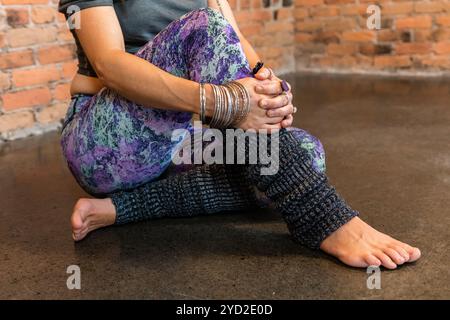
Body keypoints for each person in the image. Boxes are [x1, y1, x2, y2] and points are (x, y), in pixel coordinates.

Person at [59, 0, 421, 269]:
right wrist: (223, 101)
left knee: (307, 154)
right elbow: (109, 65)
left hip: (184, 133)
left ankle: (122, 208)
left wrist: (271, 88)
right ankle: (322, 218)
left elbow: (239, 50)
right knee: (204, 26)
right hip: (106, 143)